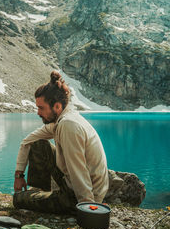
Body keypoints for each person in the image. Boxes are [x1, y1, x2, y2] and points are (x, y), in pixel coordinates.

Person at [13, 71, 109, 214]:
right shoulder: (61, 119)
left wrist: (87, 209)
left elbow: (78, 170)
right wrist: (19, 175)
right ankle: (41, 192)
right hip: (72, 184)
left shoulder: (68, 125)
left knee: (18, 200)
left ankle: (57, 200)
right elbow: (27, 142)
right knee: (39, 144)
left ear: (57, 106)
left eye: (41, 108)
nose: (38, 113)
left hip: (81, 197)